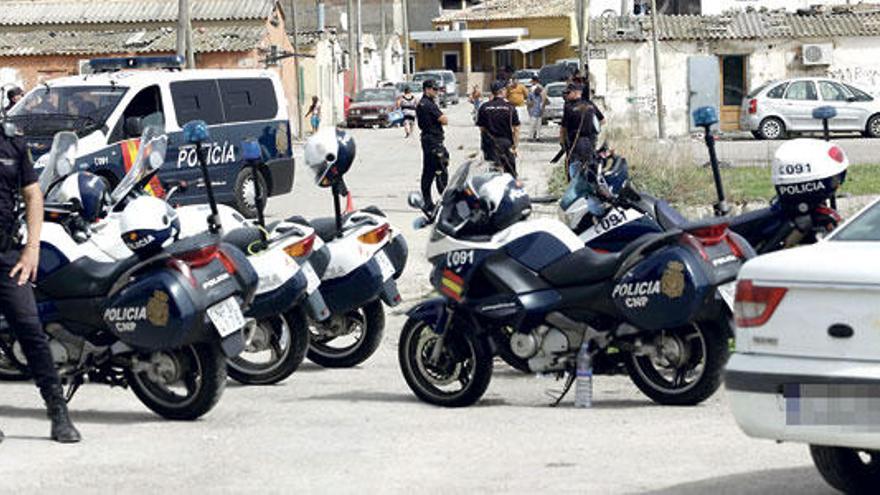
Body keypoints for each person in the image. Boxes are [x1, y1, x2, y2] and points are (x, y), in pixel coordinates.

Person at [0, 127, 81, 443]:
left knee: (31, 330)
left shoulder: (11, 141)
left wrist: (31, 248)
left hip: (7, 256)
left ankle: (58, 412)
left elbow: (33, 194)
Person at [560, 82, 605, 180]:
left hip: (575, 142)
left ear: (576, 93)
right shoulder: (590, 104)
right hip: (590, 141)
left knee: (574, 167)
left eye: (568, 93)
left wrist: (562, 142)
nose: (566, 95)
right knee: (590, 165)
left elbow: (563, 128)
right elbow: (602, 120)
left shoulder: (569, 107)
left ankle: (575, 186)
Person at [415, 79, 449, 211]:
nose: (436, 92)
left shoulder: (423, 103)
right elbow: (444, 120)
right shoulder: (428, 104)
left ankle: (428, 201)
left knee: (428, 171)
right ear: (427, 89)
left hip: (428, 139)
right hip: (433, 140)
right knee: (440, 170)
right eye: (434, 89)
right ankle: (445, 201)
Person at [476, 80, 520, 177]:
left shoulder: (484, 107)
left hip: (490, 144)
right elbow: (516, 129)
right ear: (502, 90)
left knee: (493, 173)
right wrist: (515, 146)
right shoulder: (510, 108)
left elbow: (482, 128)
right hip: (506, 143)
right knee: (510, 174)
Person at [526, 76, 548, 141]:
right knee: (538, 124)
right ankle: (537, 137)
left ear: (534, 81)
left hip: (534, 109)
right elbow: (544, 99)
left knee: (533, 124)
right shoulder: (541, 88)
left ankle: (531, 137)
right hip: (537, 108)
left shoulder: (533, 88)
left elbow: (529, 100)